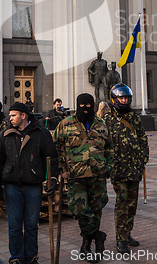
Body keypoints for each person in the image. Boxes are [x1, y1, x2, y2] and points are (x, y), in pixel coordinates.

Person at [0, 102, 59, 264]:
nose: (10, 118)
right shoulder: (5, 134)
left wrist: (53, 178)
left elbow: (51, 158)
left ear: (23, 115)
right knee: (14, 225)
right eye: (10, 115)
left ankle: (31, 256)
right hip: (12, 186)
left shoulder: (41, 134)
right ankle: (16, 257)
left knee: (31, 224)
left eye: (13, 115)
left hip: (33, 186)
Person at [53, 93, 113, 262]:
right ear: (77, 105)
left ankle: (87, 244)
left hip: (97, 175)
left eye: (89, 106)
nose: (85, 109)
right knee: (79, 210)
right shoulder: (65, 124)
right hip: (75, 176)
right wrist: (61, 169)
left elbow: (110, 149)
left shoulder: (101, 125)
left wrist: (108, 167)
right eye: (82, 106)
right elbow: (55, 148)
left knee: (96, 210)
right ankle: (98, 235)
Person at [103, 83, 149, 254]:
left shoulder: (134, 118)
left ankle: (127, 233)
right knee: (122, 205)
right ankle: (120, 239)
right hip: (119, 170)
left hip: (134, 169)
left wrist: (143, 159)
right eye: (121, 98)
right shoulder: (107, 120)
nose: (124, 100)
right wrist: (109, 164)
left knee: (132, 204)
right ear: (114, 99)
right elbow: (103, 144)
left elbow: (142, 138)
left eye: (126, 98)